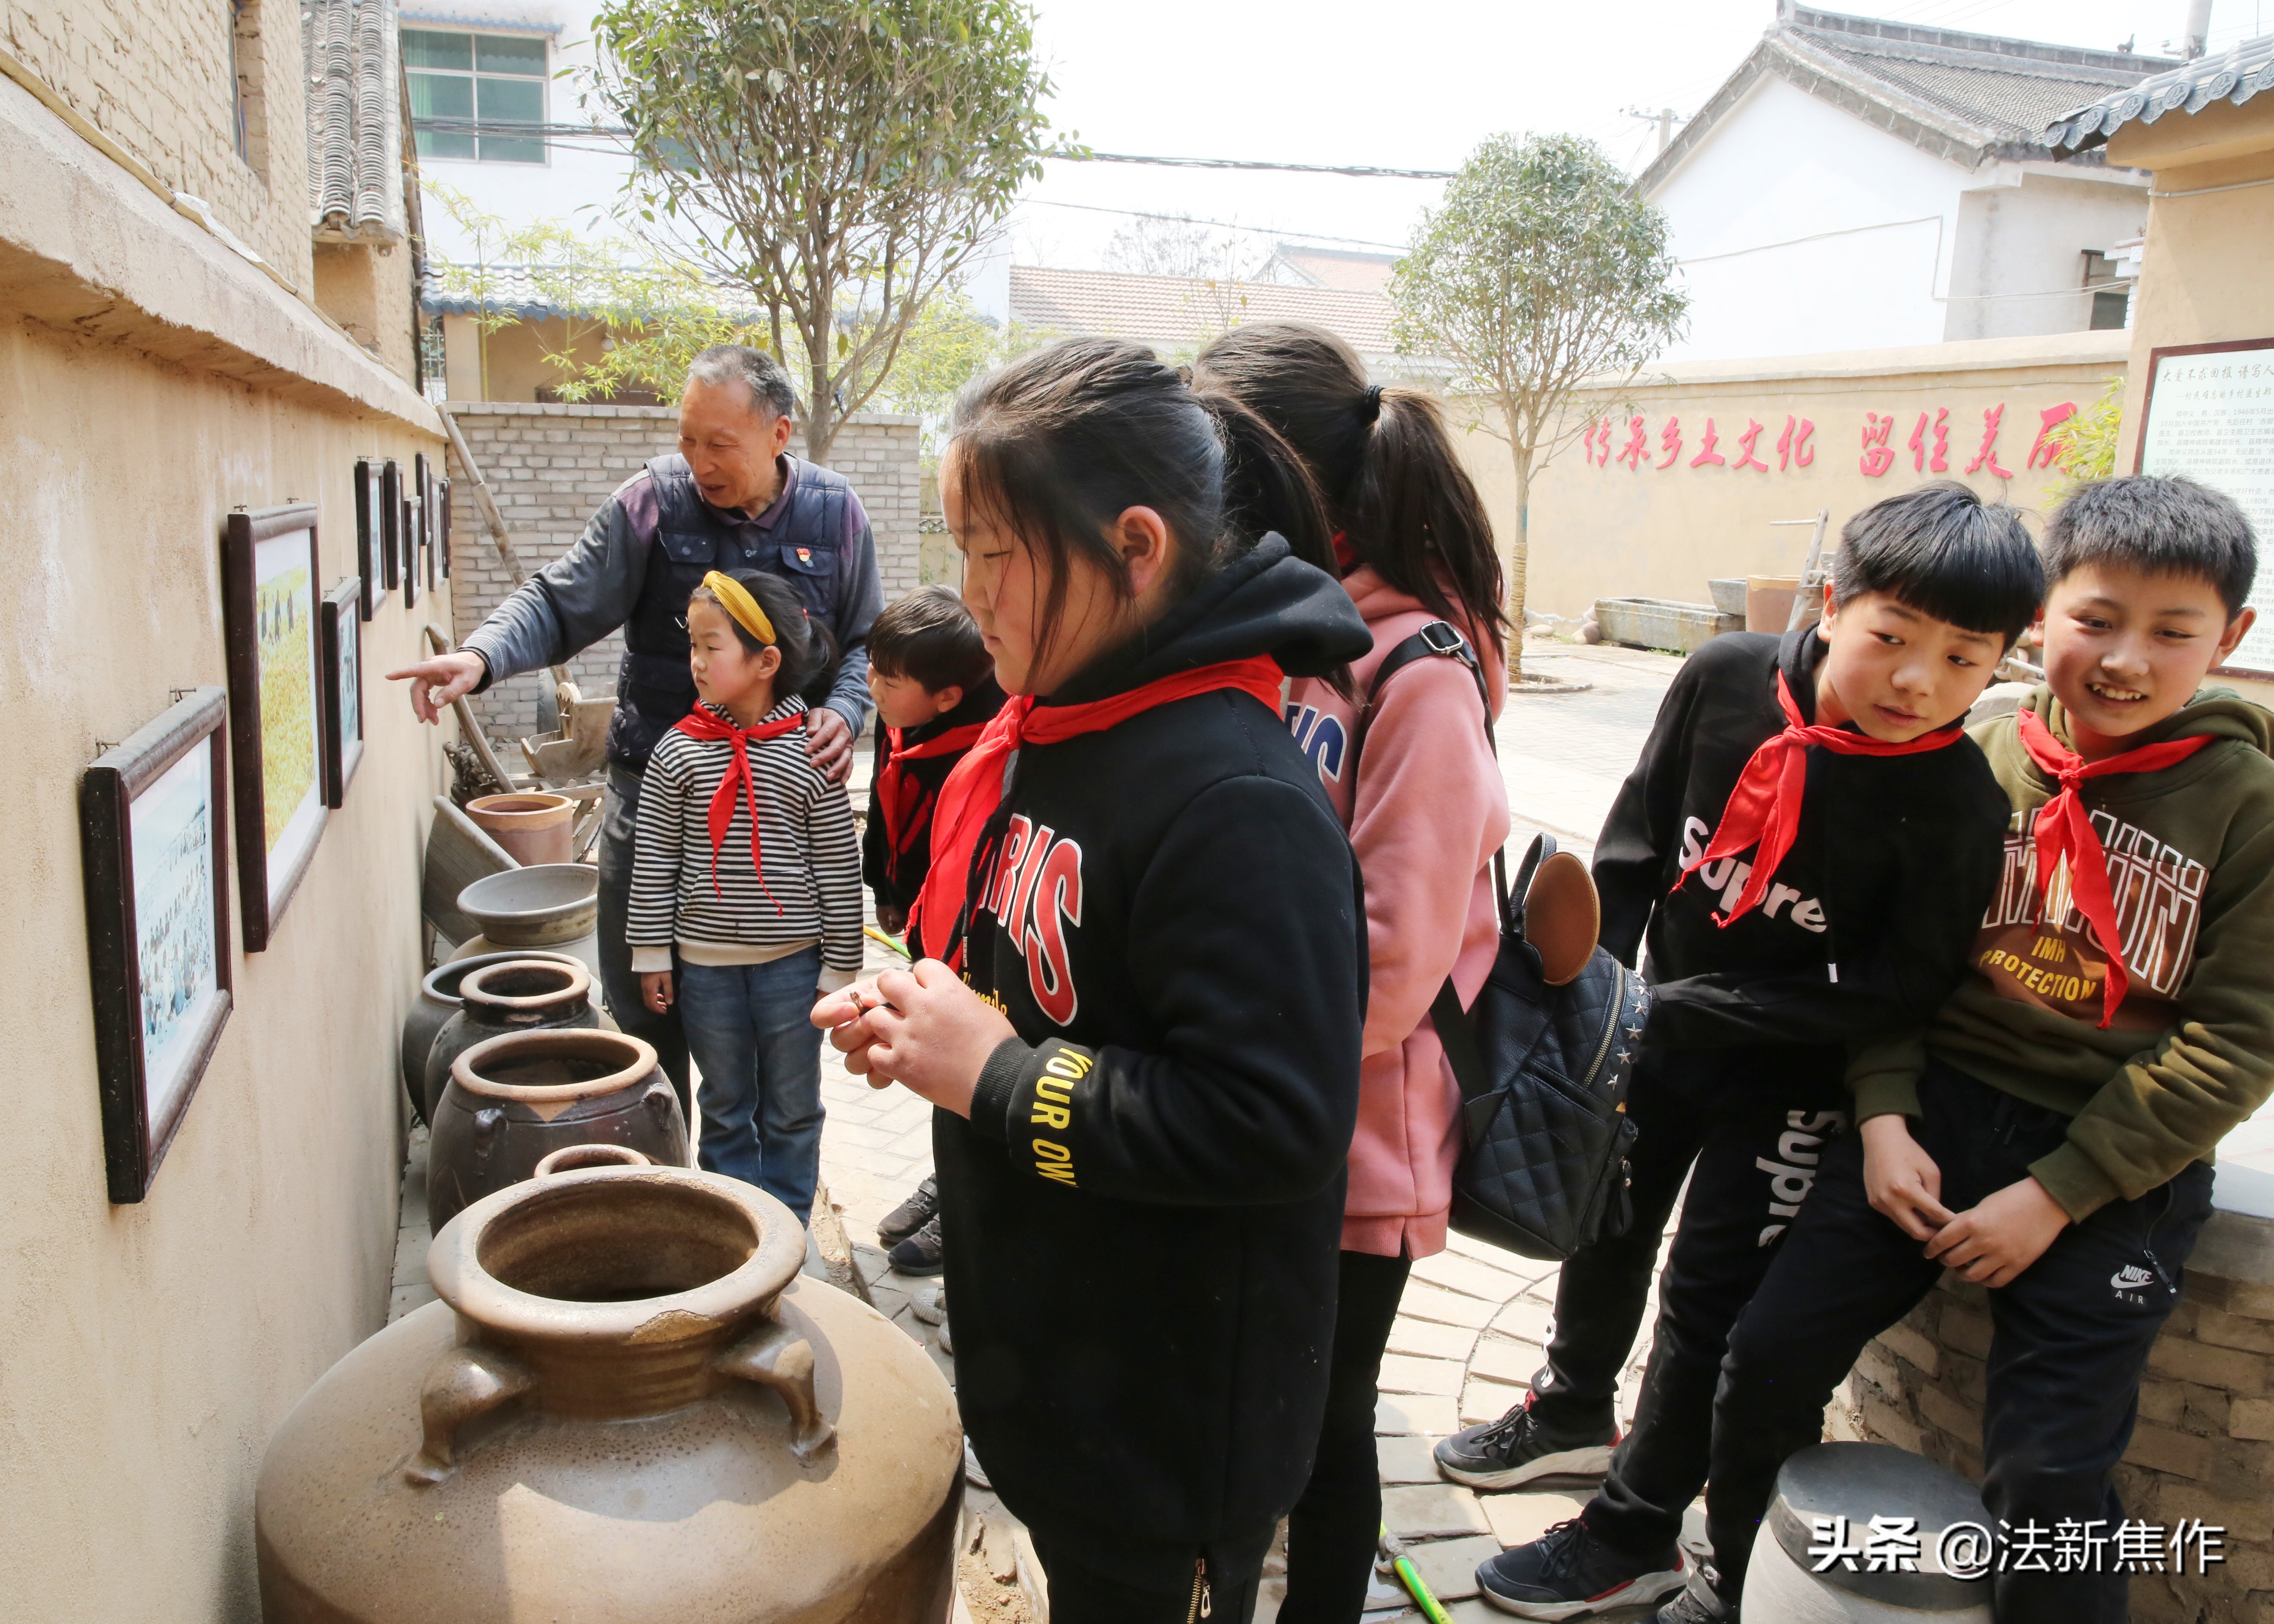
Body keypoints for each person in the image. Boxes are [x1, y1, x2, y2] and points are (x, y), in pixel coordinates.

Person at [813, 335, 1372, 1624]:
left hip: (1165, 1430)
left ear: (1135, 548)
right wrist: (929, 1021)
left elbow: (1272, 1122)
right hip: (1066, 1369)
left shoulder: (1236, 798)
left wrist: (994, 1074)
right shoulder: (1059, 726)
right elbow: (1047, 997)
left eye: (996, 553)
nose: (970, 594)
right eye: (958, 549)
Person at [1458, 483, 2044, 1621]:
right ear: (1834, 603)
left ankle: (1637, 1529)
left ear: (1998, 669)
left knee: (1706, 1304)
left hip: (1792, 1088)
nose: (1918, 682)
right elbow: (1632, 847)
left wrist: (1688, 1011)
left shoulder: (1956, 804)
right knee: (1607, 1221)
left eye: (1965, 660)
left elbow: (1895, 990)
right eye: (1891, 638)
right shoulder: (1722, 680)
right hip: (1656, 1032)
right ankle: (1574, 1404)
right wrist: (1597, 1003)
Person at [1693, 475, 2274, 1624]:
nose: (2125, 659)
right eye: (2097, 619)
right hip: (1934, 1116)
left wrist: (2058, 1195)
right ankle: (1746, 1581)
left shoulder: (2250, 807)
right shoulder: (1981, 760)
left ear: (2233, 638)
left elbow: (2239, 1043)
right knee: (1764, 1355)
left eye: (2173, 633)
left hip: (2113, 1172)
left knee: (2050, 1475)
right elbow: (1902, 966)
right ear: (2044, 612)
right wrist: (1884, 1112)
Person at [1192, 322, 1510, 1624]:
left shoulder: (1419, 673)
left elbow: (1395, 963)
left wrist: (1227, 1067)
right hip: (1270, 1106)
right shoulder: (1290, 630)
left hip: (1351, 1129)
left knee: (1323, 1428)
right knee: (1255, 1403)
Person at [388, 345, 883, 1110]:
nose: (699, 461)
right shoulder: (652, 501)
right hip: (656, 796)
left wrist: (845, 710)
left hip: (780, 816)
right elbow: (558, 601)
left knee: (775, 1024)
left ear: (780, 434)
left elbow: (864, 643)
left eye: (720, 443)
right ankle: (667, 1158)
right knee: (646, 1000)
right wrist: (481, 657)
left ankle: (761, 1180)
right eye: (688, 438)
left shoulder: (836, 512)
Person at [627, 569, 862, 1219]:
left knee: (792, 1105)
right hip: (706, 971)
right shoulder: (678, 753)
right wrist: (652, 954)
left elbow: (839, 865)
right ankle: (737, 1224)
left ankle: (788, 1225)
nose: (697, 662)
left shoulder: (810, 753)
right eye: (693, 646)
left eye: (712, 646)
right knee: (725, 1104)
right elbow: (655, 861)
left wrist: (841, 967)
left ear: (767, 662)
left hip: (794, 967)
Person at [861, 583, 1008, 1275]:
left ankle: (969, 1209)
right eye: (873, 670)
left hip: (979, 941)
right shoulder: (905, 722)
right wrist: (888, 893)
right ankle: (944, 1179)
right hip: (924, 921)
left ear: (947, 696)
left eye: (888, 680)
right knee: (937, 1069)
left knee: (972, 1063)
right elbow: (885, 813)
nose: (872, 688)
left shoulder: (987, 744)